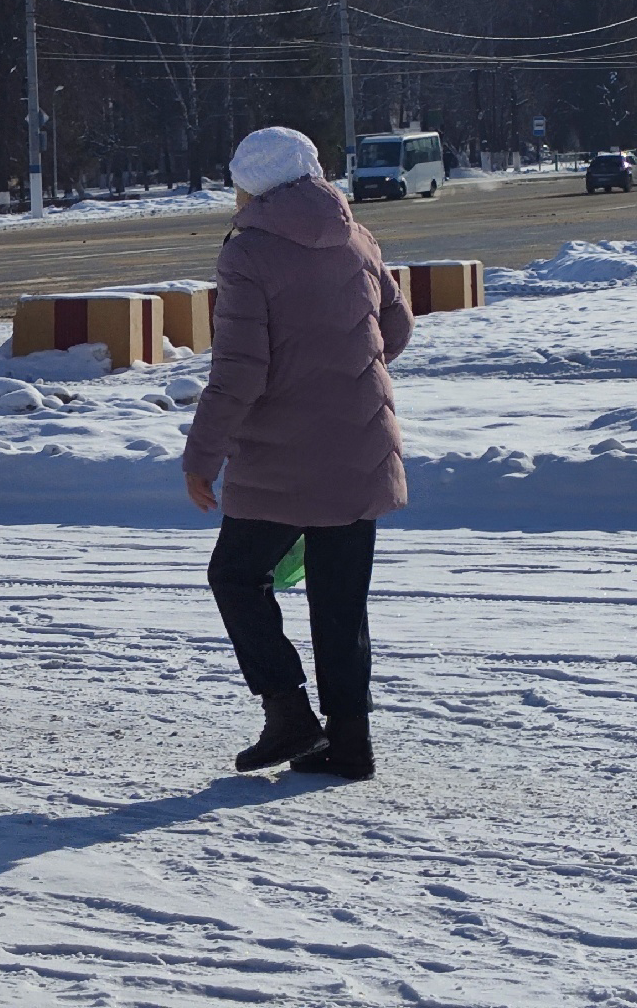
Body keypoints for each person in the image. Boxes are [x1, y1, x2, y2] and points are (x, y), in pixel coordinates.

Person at [184, 126, 413, 782]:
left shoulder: (248, 252)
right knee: (341, 605)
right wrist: (342, 376)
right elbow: (394, 327)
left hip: (284, 458)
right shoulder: (356, 235)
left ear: (249, 185)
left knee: (235, 577)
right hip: (361, 446)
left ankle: (288, 713)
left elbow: (240, 373)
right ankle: (350, 745)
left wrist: (202, 456)